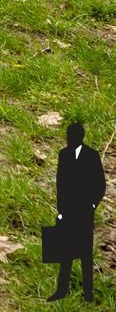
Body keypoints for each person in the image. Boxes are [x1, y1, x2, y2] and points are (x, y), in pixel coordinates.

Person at [53, 120, 106, 301]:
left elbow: (100, 184)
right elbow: (60, 184)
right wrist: (60, 209)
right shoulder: (64, 155)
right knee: (65, 251)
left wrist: (92, 205)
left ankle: (88, 292)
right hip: (67, 209)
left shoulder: (92, 156)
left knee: (85, 252)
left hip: (84, 210)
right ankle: (61, 290)